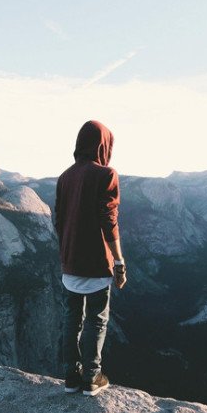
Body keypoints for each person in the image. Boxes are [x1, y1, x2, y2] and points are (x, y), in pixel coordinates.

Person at [53, 119, 127, 396]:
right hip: (96, 262)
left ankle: (70, 377)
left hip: (70, 260)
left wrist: (67, 251)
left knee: (72, 317)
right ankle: (91, 378)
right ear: (103, 145)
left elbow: (59, 220)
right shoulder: (106, 174)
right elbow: (110, 222)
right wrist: (119, 262)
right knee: (97, 318)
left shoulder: (64, 177)